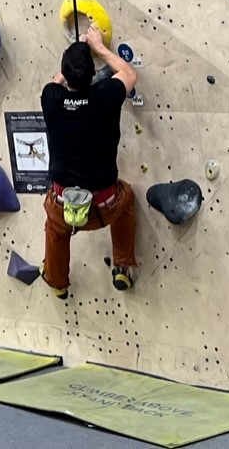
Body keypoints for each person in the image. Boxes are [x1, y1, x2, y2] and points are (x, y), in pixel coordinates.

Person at [40, 25, 139, 297]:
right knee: (127, 197)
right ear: (94, 73)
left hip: (63, 208)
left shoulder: (51, 99)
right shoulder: (106, 96)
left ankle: (57, 282)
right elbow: (130, 74)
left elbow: (55, 83)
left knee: (54, 229)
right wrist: (99, 47)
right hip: (104, 208)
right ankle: (122, 266)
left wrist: (73, 57)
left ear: (65, 72)